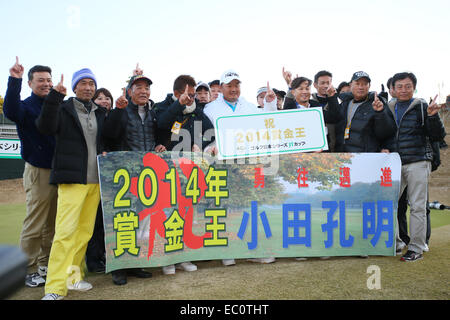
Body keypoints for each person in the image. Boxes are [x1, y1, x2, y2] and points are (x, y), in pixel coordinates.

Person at [36, 68, 106, 300]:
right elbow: (45, 127)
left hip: (95, 181)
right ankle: (55, 288)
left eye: (91, 84)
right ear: (75, 87)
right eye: (83, 83)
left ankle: (73, 278)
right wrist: (55, 96)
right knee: (65, 234)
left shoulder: (101, 112)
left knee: (83, 233)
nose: (88, 87)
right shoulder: (63, 108)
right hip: (72, 180)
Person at [203, 69, 277, 265]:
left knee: (251, 206)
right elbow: (205, 136)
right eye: (229, 85)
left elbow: (268, 124)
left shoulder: (251, 106)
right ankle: (225, 251)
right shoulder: (210, 109)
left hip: (248, 164)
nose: (234, 89)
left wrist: (270, 103)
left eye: (237, 85)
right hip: (221, 164)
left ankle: (254, 250)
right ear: (222, 87)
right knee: (223, 206)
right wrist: (210, 147)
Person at [102, 74, 165, 284]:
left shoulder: (153, 113)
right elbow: (109, 134)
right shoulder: (121, 110)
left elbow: (160, 134)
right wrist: (119, 110)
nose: (144, 91)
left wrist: (160, 145)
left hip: (146, 175)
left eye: (147, 87)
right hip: (124, 175)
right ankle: (119, 267)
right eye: (138, 87)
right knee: (122, 220)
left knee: (141, 220)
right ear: (129, 91)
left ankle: (135, 262)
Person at [3, 57, 57, 288]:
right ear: (30, 83)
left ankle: (44, 266)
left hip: (59, 173)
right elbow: (11, 110)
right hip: (38, 172)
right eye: (40, 80)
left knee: (51, 226)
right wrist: (13, 80)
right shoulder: (25, 106)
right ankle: (25, 269)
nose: (45, 83)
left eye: (48, 80)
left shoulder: (56, 104)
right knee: (35, 225)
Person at [153, 75, 215, 274]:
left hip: (189, 170)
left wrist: (202, 145)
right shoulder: (163, 107)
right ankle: (168, 258)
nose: (193, 98)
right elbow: (161, 125)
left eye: (194, 93)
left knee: (186, 212)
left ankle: (183, 256)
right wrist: (178, 105)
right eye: (189, 93)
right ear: (179, 93)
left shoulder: (196, 111)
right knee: (168, 213)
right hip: (166, 170)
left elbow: (211, 131)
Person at [384, 72, 446, 261]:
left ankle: (417, 247)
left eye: (408, 86)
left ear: (414, 87)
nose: (404, 90)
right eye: (400, 86)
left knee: (417, 206)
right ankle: (396, 243)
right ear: (393, 88)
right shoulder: (389, 107)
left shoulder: (422, 107)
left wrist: (433, 117)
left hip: (418, 161)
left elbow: (437, 135)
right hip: (394, 163)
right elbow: (385, 133)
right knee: (390, 205)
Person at [85, 87, 114, 274]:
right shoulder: (92, 120)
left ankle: (105, 254)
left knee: (108, 221)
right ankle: (93, 260)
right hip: (93, 176)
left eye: (107, 98)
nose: (104, 101)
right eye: (100, 98)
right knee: (94, 221)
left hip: (112, 177)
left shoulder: (114, 118)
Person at [334, 71, 397, 153]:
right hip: (343, 157)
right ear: (350, 85)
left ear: (369, 86)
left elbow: (387, 133)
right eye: (357, 83)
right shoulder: (343, 104)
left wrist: (380, 113)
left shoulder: (377, 103)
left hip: (366, 157)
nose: (361, 87)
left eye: (364, 84)